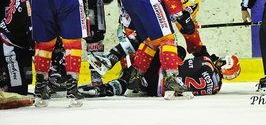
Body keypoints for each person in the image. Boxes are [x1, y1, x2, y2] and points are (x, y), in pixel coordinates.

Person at [119, 0, 218, 99]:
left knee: (151, 40)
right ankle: (172, 80)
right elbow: (172, 0)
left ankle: (134, 79)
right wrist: (183, 17)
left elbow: (184, 22)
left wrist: (196, 43)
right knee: (168, 39)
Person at [79, 46, 241, 97]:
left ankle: (124, 69)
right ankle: (114, 87)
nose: (218, 58)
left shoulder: (206, 63)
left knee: (173, 48)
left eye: (221, 60)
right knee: (137, 79)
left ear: (224, 66)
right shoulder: (216, 88)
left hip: (160, 78)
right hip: (157, 91)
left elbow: (180, 67)